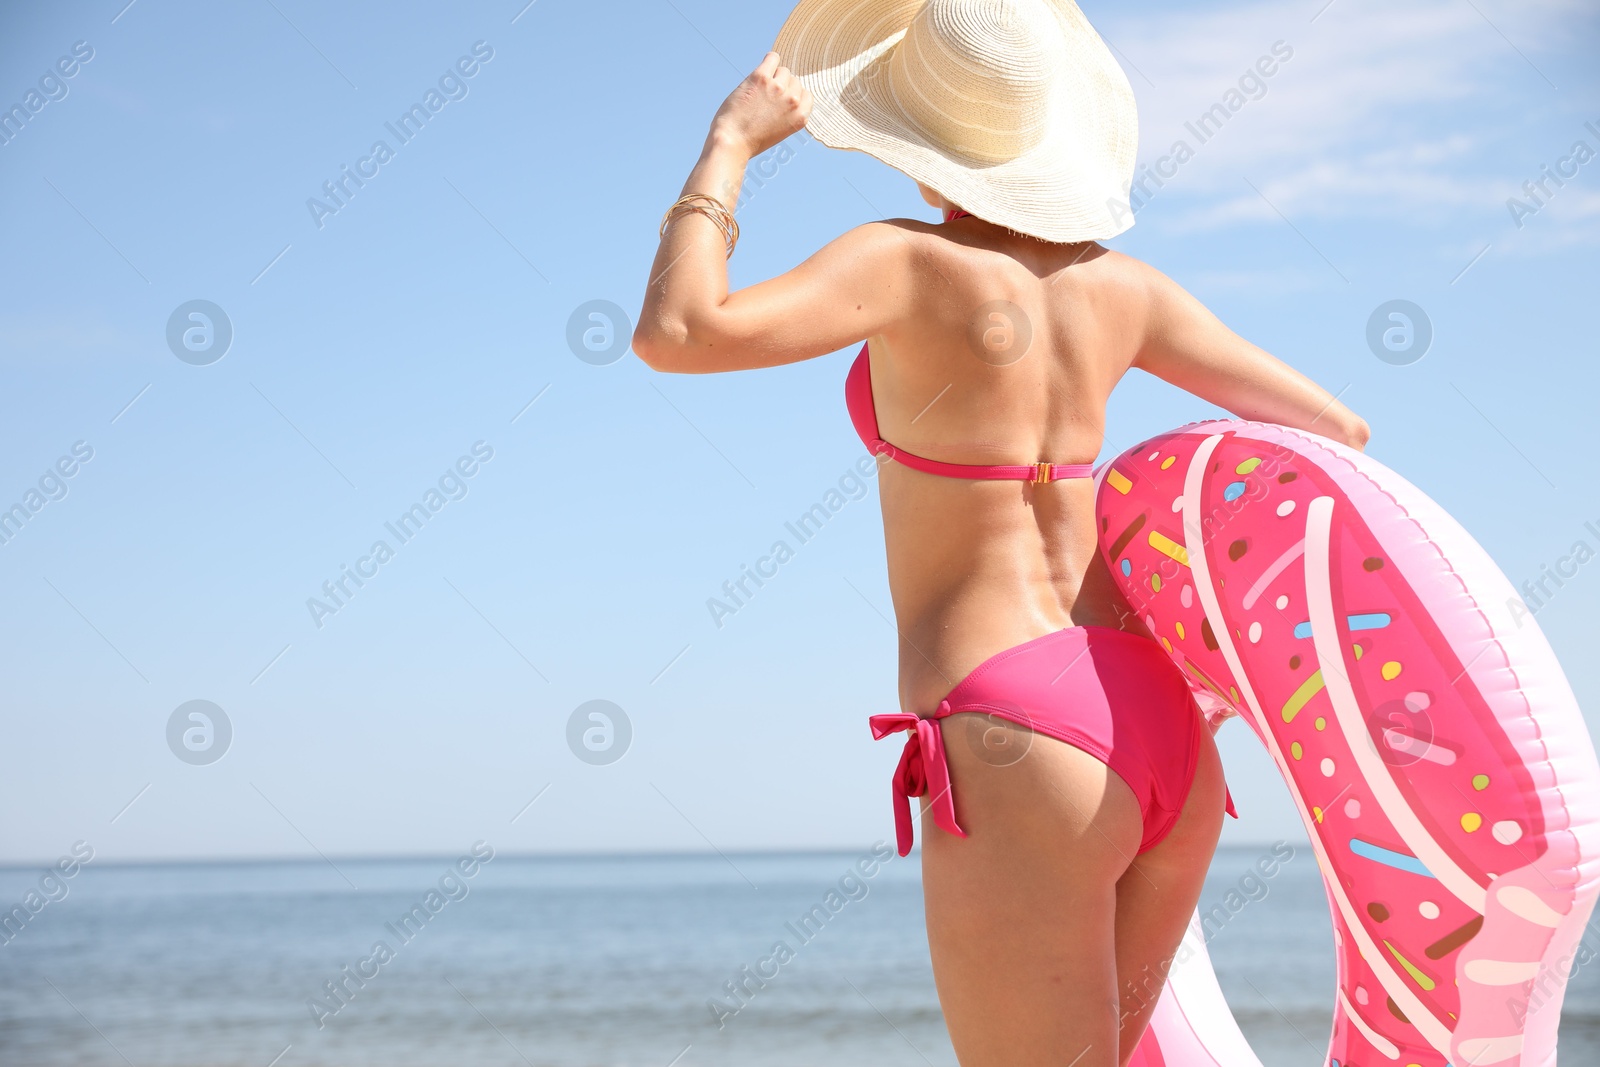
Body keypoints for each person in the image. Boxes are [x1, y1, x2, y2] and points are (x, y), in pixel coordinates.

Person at [632, 2, 1369, 1064]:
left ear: (926, 153)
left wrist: (728, 145)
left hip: (1018, 737)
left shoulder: (904, 262)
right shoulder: (1127, 290)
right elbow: (1331, 430)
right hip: (1157, 725)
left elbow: (680, 332)